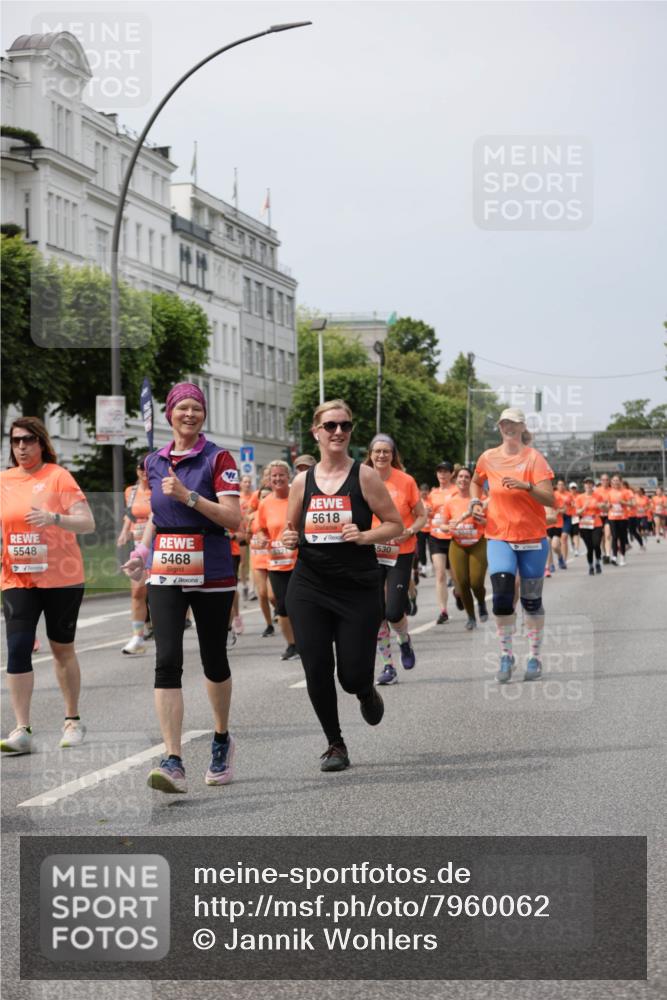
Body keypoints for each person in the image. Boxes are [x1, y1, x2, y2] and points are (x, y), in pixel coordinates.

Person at [123, 383, 241, 794]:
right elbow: (157, 515)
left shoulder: (218, 458)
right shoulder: (154, 460)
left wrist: (190, 496)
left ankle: (221, 738)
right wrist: (141, 551)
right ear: (169, 413)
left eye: (197, 408)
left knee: (213, 659)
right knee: (167, 659)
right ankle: (173, 759)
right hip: (167, 569)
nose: (189, 414)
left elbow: (234, 520)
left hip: (212, 571)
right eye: (182, 408)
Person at [283, 400, 402, 772]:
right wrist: (289, 538)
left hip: (356, 587)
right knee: (316, 668)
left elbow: (394, 524)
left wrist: (365, 535)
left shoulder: (364, 476)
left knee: (350, 676)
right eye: (331, 425)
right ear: (316, 432)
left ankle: (365, 691)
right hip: (310, 585)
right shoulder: (302, 481)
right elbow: (291, 529)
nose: (338, 432)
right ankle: (335, 744)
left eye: (345, 426)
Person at [1, 417, 95, 754]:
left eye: (28, 440)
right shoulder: (4, 481)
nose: (21, 447)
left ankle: (72, 719)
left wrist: (53, 518)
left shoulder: (58, 476)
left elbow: (87, 522)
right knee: (17, 648)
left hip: (62, 578)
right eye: (15, 441)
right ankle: (21, 728)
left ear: (41, 442)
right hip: (17, 578)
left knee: (61, 649)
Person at [470, 408, 554, 684]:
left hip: (532, 538)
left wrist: (526, 486)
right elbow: (475, 482)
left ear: (521, 427)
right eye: (504, 423)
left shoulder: (534, 458)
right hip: (499, 536)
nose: (509, 427)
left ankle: (534, 656)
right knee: (503, 597)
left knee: (531, 602)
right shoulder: (488, 457)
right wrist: (475, 503)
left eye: (514, 423)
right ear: (500, 427)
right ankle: (506, 654)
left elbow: (550, 500)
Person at [364, 434, 426, 686]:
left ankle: (404, 640)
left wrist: (409, 531)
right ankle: (388, 666)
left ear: (393, 455)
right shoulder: (361, 479)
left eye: (386, 452)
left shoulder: (405, 481)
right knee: (376, 612)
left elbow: (421, 516)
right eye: (377, 451)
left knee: (393, 611)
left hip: (401, 552)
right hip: (370, 552)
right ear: (370, 454)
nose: (381, 456)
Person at [255, 460, 299, 660]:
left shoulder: (297, 498)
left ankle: (307, 640)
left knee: (301, 604)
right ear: (268, 479)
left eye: (281, 475)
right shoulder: (265, 503)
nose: (278, 479)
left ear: (288, 476)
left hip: (300, 561)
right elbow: (261, 528)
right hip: (277, 562)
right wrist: (263, 537)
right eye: (274, 476)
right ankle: (292, 645)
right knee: (282, 605)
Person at [442, 468, 488, 630]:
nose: (463, 479)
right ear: (456, 479)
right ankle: (470, 617)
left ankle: (481, 602)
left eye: (467, 477)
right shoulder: (450, 501)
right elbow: (442, 525)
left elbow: (490, 522)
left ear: (471, 480)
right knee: (462, 584)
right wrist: (449, 526)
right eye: (460, 476)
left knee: (476, 582)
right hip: (457, 544)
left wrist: (481, 520)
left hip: (478, 543)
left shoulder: (480, 499)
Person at [116, 456, 152, 654]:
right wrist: (124, 532)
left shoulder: (158, 489)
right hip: (138, 546)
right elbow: (129, 514)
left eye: (147, 469)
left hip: (158, 546)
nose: (144, 473)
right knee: (137, 591)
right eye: (141, 469)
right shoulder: (130, 491)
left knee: (160, 594)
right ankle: (138, 637)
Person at [429, 461, 458, 623]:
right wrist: (427, 513)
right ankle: (443, 610)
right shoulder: (433, 494)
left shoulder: (456, 492)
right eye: (439, 471)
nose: (442, 474)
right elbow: (429, 515)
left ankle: (458, 593)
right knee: (440, 574)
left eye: (446, 471)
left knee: (456, 577)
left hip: (453, 537)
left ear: (451, 474)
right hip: (436, 537)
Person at [575, 478, 603, 575]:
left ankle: (598, 562)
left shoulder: (598, 496)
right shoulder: (579, 497)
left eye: (590, 484)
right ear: (584, 486)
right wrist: (584, 507)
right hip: (585, 524)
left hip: (596, 523)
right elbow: (577, 512)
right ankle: (591, 566)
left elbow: (604, 507)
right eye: (586, 484)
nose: (588, 485)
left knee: (596, 544)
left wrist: (602, 506)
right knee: (590, 547)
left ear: (593, 486)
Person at [607, 473, 631, 566]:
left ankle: (622, 557)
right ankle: (614, 557)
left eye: (617, 480)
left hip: (623, 517)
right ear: (611, 482)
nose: (615, 482)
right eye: (613, 480)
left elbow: (632, 504)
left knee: (622, 537)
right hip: (612, 517)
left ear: (621, 481)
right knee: (614, 536)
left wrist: (623, 502)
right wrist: (606, 506)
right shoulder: (609, 492)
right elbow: (607, 505)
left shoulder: (626, 492)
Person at [595, 473, 613, 562]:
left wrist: (607, 505)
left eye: (606, 480)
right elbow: (594, 503)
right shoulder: (597, 491)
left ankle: (608, 555)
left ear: (609, 481)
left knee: (608, 535)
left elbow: (613, 503)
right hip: (598, 516)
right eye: (603, 480)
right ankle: (604, 552)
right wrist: (602, 505)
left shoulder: (612, 490)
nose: (605, 481)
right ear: (600, 481)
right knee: (601, 537)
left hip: (609, 516)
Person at [568, 481, 582, 557]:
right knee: (570, 534)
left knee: (576, 534)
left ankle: (576, 549)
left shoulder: (579, 496)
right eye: (572, 488)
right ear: (569, 489)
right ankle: (572, 544)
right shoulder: (567, 496)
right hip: (568, 517)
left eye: (574, 488)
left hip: (576, 517)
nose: (573, 489)